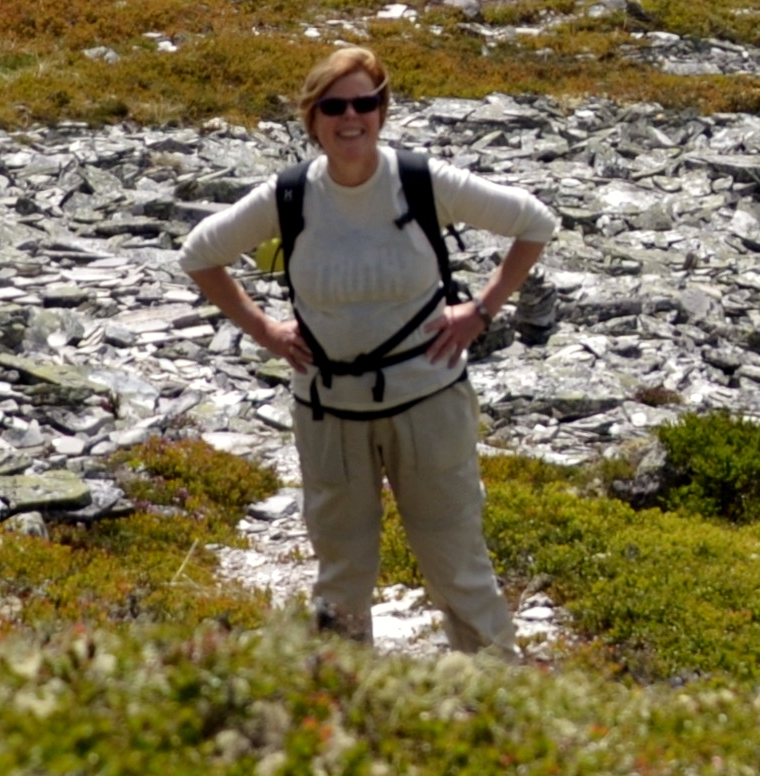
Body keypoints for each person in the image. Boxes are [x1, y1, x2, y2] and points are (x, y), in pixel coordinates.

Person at [182, 45, 558, 649]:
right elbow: (199, 254)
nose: (350, 117)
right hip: (329, 414)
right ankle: (343, 692)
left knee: (457, 564)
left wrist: (482, 311)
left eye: (365, 103)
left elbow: (535, 221)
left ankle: (492, 688)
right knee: (342, 576)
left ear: (383, 110)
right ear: (312, 118)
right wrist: (266, 331)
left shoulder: (422, 182)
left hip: (428, 403)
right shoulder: (288, 196)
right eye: (334, 106)